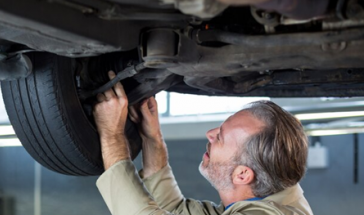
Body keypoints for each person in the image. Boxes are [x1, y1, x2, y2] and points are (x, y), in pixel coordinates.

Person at [93, 71, 312, 215]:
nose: (209, 133)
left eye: (220, 137)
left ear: (242, 175)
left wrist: (111, 134)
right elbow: (174, 210)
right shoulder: (272, 190)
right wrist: (153, 139)